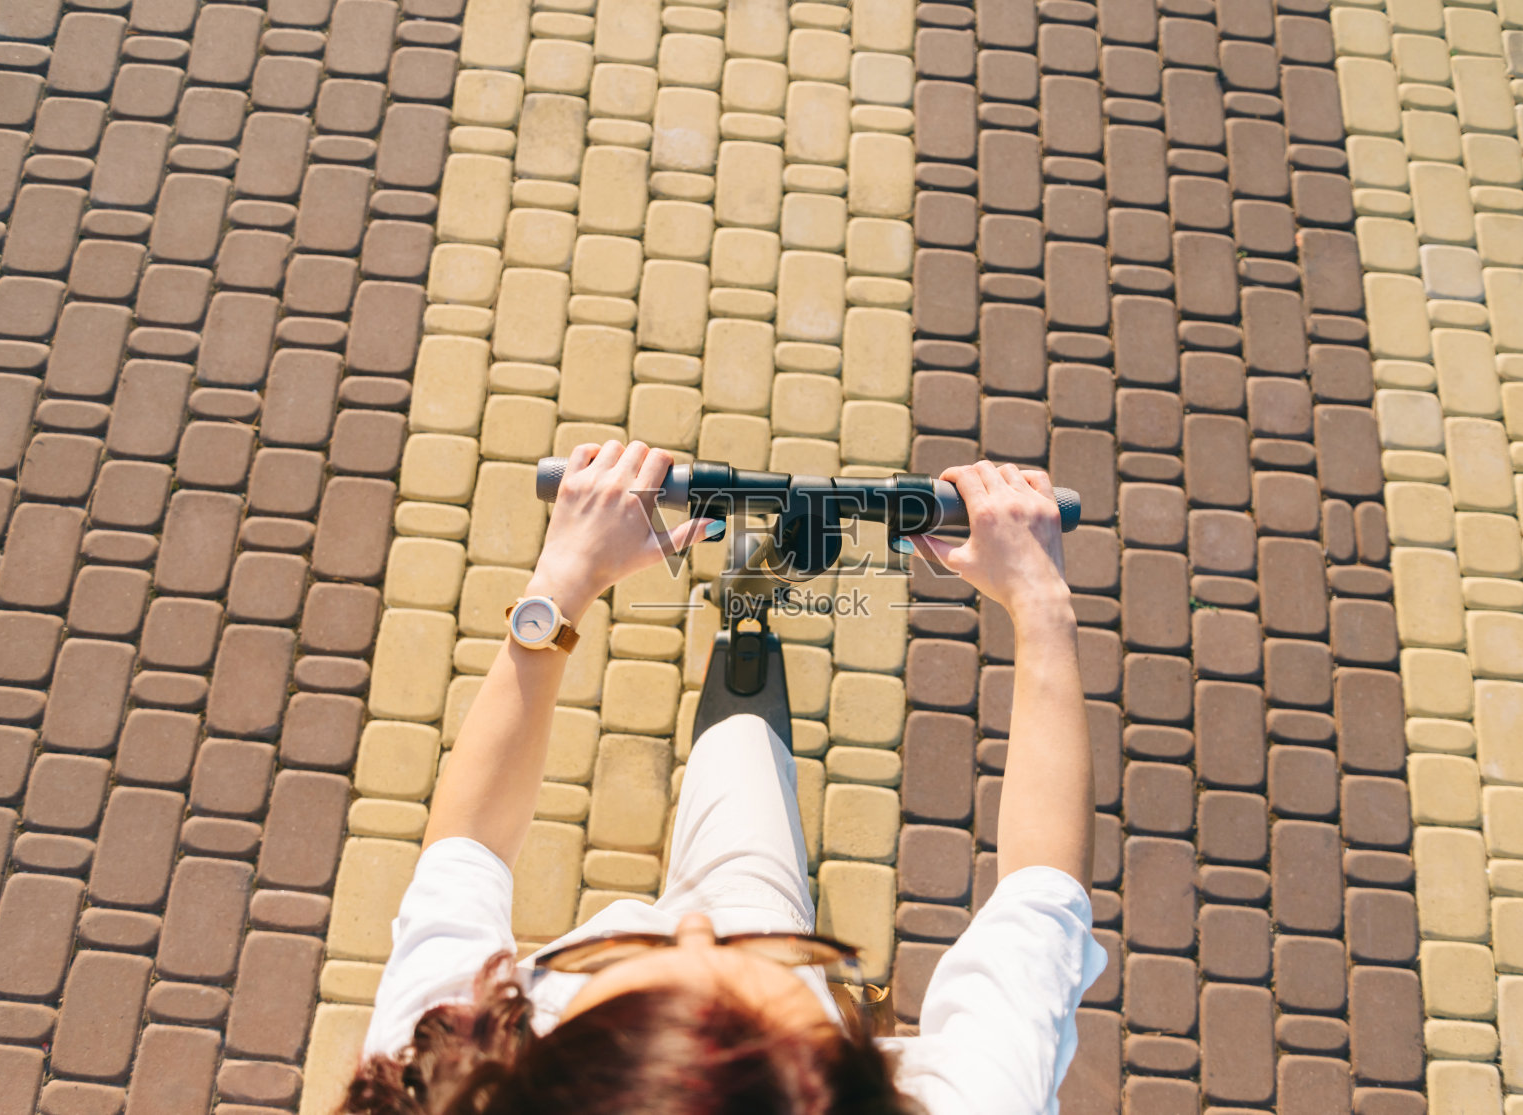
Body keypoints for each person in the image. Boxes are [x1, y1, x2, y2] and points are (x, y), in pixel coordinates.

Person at [340, 440, 1106, 1115]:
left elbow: (462, 857)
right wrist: (1039, 601)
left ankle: (747, 617)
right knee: (748, 823)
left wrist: (565, 577)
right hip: (762, 905)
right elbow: (1042, 898)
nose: (695, 927)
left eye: (633, 970)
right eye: (745, 989)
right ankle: (751, 618)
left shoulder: (442, 1071)